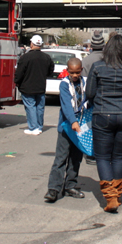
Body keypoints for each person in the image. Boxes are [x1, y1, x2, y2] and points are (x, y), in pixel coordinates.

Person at [86, 35, 122, 213]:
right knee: (119, 156)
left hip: (103, 115)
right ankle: (117, 194)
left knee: (103, 157)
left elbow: (89, 94)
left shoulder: (98, 67)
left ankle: (110, 197)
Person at [45, 58, 86, 203]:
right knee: (61, 158)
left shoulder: (85, 83)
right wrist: (73, 121)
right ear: (67, 71)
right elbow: (66, 105)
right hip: (66, 126)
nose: (74, 75)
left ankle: (70, 185)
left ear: (81, 70)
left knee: (76, 158)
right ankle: (54, 188)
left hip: (81, 127)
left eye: (77, 72)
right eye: (72, 72)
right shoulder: (64, 84)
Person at [14, 34, 54, 135]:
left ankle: (33, 127)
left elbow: (19, 72)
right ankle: (39, 127)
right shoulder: (47, 57)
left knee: (30, 106)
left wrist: (17, 82)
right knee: (40, 107)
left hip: (27, 86)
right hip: (41, 86)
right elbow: (50, 71)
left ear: (31, 44)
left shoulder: (25, 57)